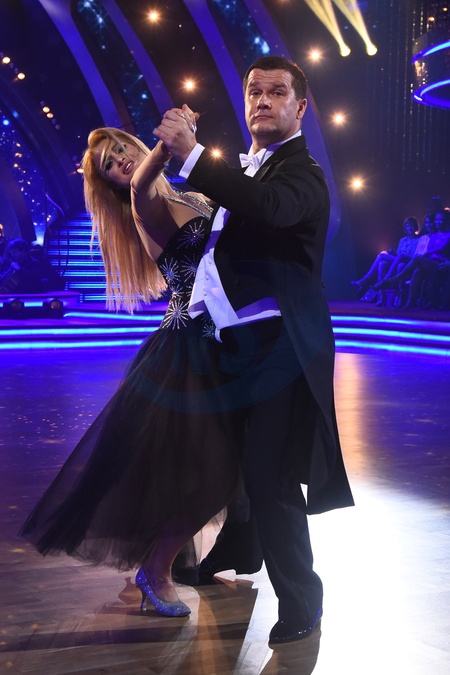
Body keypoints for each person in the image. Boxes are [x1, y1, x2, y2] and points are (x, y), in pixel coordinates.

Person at [154, 55, 354, 644]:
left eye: (276, 92)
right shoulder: (248, 172)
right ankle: (239, 551)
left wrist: (194, 155)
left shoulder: (304, 174)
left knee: (269, 474)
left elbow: (269, 208)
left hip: (281, 347)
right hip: (234, 343)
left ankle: (303, 601)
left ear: (300, 106)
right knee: (229, 462)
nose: (262, 100)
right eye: (254, 91)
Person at [20, 127, 244, 617]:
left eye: (121, 148)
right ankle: (155, 569)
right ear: (111, 184)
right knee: (215, 470)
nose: (119, 159)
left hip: (225, 340)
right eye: (108, 163)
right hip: (188, 349)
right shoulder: (143, 201)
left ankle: (171, 560)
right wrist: (172, 140)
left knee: (220, 466)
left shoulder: (189, 194)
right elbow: (144, 180)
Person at [374, 209, 450, 308]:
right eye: (436, 219)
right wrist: (427, 252)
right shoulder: (433, 236)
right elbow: (428, 248)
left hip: (440, 263)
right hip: (430, 261)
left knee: (416, 259)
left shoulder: (448, 235)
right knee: (417, 271)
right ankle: (410, 300)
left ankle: (395, 279)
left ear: (446, 221)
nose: (438, 222)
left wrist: (427, 253)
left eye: (441, 220)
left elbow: (441, 248)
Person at [351, 216, 419, 302]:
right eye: (407, 226)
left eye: (411, 226)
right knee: (382, 263)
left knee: (382, 255)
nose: (409, 228)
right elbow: (398, 253)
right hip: (398, 260)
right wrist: (393, 252)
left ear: (415, 227)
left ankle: (366, 280)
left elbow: (414, 255)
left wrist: (402, 255)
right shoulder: (402, 240)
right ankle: (381, 294)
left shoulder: (418, 240)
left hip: (408, 262)